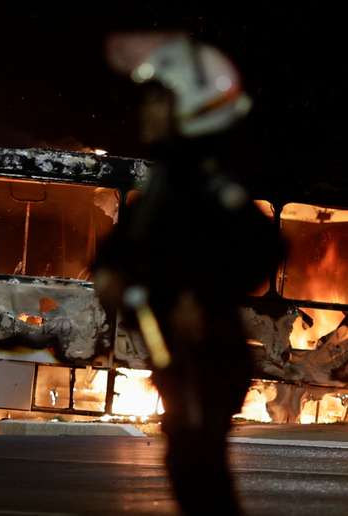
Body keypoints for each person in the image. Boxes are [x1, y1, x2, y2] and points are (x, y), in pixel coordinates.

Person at [94, 33, 285, 515]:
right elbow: (124, 247)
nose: (148, 110)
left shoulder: (203, 179)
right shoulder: (168, 179)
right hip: (179, 359)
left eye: (161, 99)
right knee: (190, 472)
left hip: (207, 360)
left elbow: (265, 247)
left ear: (196, 108)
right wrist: (110, 272)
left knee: (200, 476)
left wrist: (198, 296)